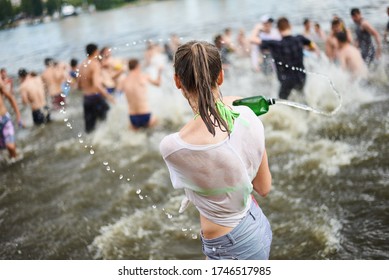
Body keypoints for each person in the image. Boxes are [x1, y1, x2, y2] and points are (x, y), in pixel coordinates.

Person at [159, 41, 272, 260]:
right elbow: (263, 187)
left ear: (177, 81)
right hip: (256, 229)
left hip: (229, 247)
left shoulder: (172, 146)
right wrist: (232, 104)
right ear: (220, 76)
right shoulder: (249, 117)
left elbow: (205, 131)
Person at [259, 17, 317, 99]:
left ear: (278, 30)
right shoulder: (299, 39)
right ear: (290, 26)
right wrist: (307, 48)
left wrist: (258, 28)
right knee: (302, 98)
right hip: (301, 77)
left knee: (282, 101)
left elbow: (257, 42)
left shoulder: (275, 44)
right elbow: (313, 46)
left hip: (286, 80)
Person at [78, 43, 115, 133]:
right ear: (95, 51)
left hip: (86, 98)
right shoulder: (95, 64)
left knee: (89, 129)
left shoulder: (82, 64)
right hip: (95, 97)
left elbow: (79, 85)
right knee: (109, 121)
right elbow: (96, 85)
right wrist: (108, 96)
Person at [119, 58, 161, 130]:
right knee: (157, 123)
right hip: (144, 114)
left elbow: (117, 92)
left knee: (137, 135)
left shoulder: (123, 80)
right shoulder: (144, 76)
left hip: (132, 116)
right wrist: (160, 72)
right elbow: (157, 84)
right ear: (138, 66)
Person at [0, 76, 22, 159]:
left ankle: (16, 160)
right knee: (3, 149)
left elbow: (11, 98)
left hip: (4, 119)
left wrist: (18, 115)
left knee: (10, 147)